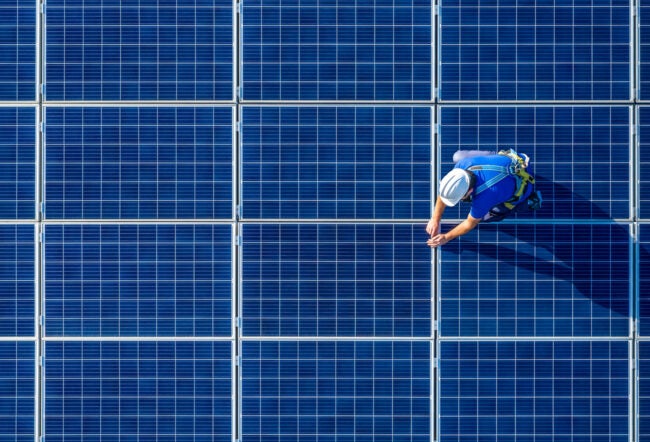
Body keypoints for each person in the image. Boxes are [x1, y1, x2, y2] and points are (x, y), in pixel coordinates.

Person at [426, 149, 542, 248]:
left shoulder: (484, 198)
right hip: (517, 159)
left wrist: (446, 237)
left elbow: (469, 223)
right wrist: (435, 219)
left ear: (470, 191)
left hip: (524, 183)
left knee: (488, 216)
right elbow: (445, 193)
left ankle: (528, 201)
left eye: (461, 198)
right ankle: (496, 158)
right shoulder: (462, 166)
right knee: (458, 156)